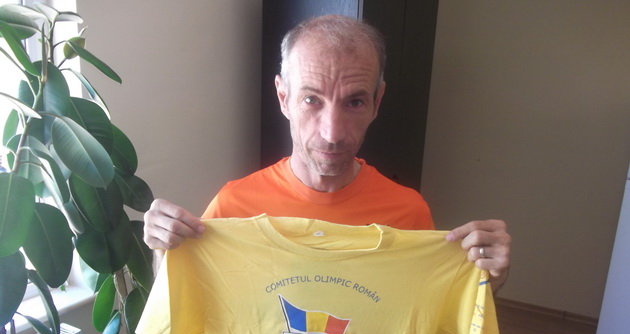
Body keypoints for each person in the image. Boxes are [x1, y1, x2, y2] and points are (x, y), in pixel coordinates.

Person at [143, 15, 511, 292]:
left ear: (377, 102)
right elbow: (180, 299)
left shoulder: (408, 213)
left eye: (354, 102)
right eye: (311, 100)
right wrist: (164, 251)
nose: (332, 133)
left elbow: (433, 310)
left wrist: (489, 277)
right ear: (283, 98)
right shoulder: (233, 207)